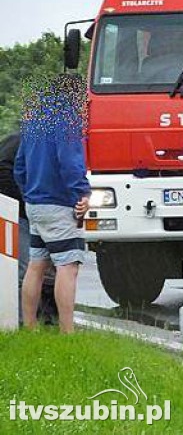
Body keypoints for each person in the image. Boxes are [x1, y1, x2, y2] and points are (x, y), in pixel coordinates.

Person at [15, 74, 91, 334]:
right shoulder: (67, 121)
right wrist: (82, 193)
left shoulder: (35, 122)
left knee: (36, 265)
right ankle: (68, 333)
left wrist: (30, 194)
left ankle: (31, 327)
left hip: (35, 204)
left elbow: (19, 167)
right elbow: (70, 162)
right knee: (67, 266)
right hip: (59, 204)